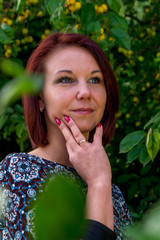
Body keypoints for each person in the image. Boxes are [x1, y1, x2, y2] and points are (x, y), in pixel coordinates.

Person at [0, 32, 132, 239]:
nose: (85, 92)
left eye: (95, 79)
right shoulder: (16, 174)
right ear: (40, 97)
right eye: (66, 79)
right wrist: (98, 184)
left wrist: (100, 183)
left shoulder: (113, 194)